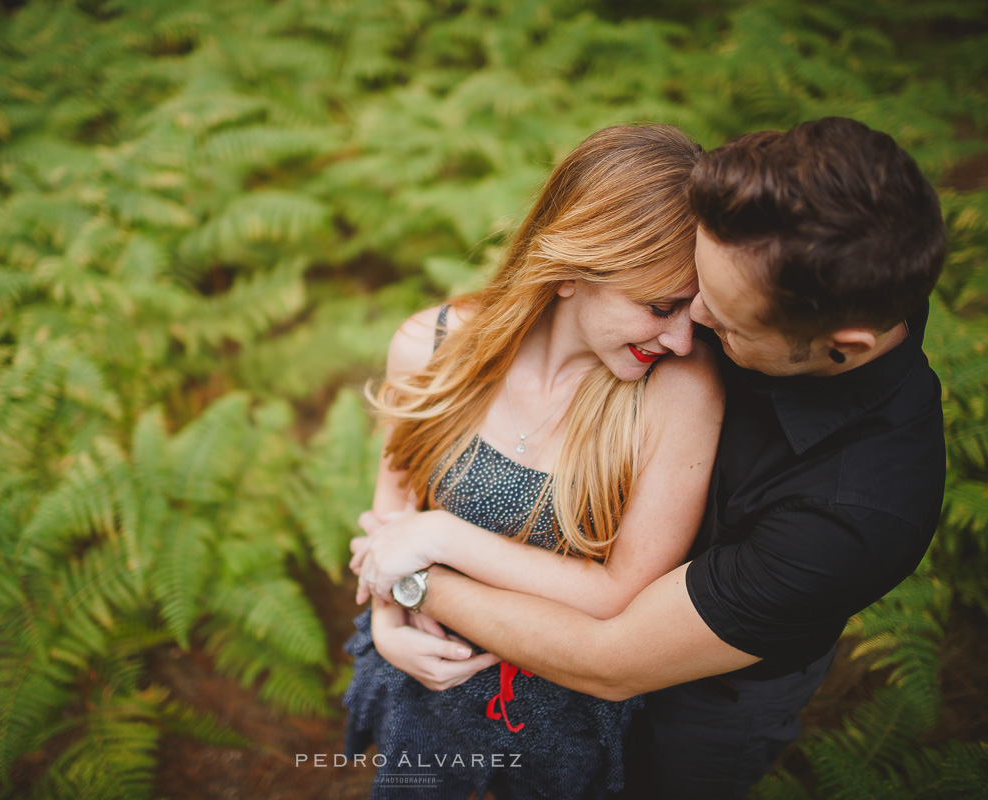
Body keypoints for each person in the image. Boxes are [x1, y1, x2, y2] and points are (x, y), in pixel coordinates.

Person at [354, 116, 948, 798]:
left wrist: (412, 569)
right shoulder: (821, 251)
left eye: (720, 318)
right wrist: (388, 611)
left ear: (844, 344)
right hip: (463, 661)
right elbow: (397, 486)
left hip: (703, 686)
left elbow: (611, 654)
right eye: (682, 298)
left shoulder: (857, 513)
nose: (694, 333)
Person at [343, 124, 725, 799]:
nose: (681, 337)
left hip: (563, 722)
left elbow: (621, 595)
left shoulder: (680, 395)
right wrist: (386, 626)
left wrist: (441, 536)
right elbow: (389, 518)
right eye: (659, 306)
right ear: (573, 271)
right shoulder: (431, 348)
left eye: (692, 311)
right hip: (423, 692)